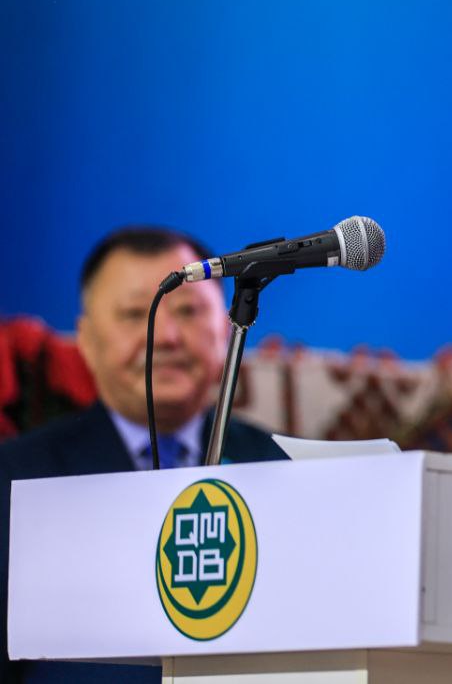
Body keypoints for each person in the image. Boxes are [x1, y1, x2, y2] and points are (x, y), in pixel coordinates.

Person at [0, 227, 288, 683]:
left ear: (227, 327)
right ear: (86, 341)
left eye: (189, 311)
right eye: (136, 313)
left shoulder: (283, 468)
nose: (168, 336)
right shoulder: (16, 479)